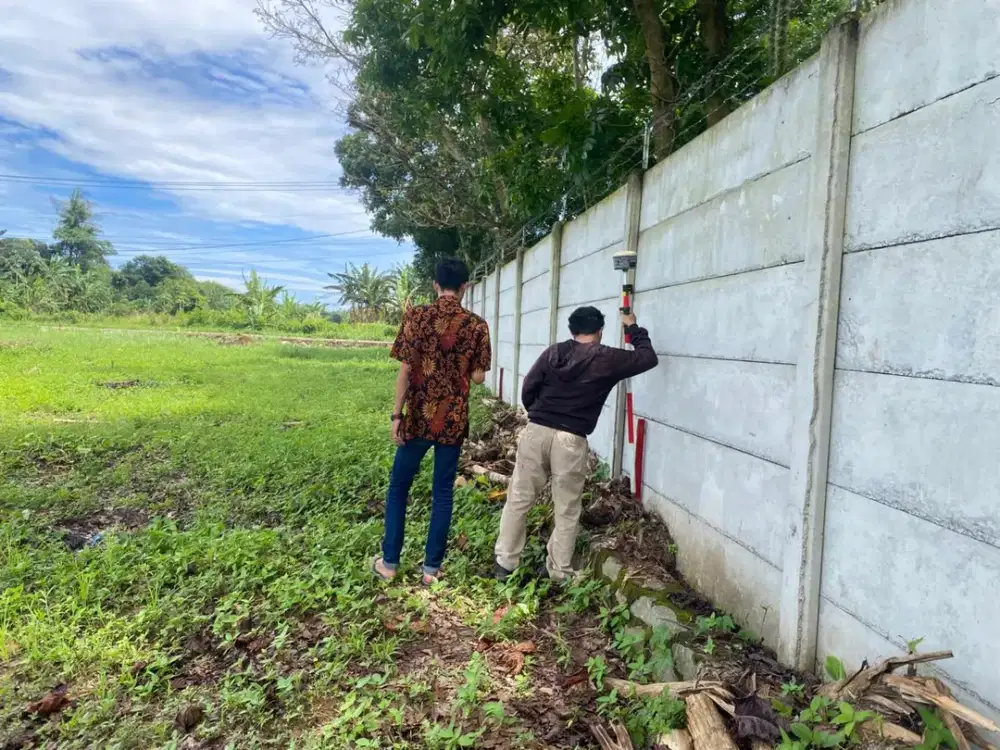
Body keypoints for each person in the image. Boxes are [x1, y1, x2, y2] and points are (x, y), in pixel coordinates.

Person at [494, 306, 658, 582]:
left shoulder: (553, 352)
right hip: (571, 440)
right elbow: (647, 358)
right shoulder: (605, 357)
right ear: (600, 331)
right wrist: (632, 327)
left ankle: (505, 564)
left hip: (536, 431)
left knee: (519, 499)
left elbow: (529, 388)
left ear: (571, 330)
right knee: (567, 508)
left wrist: (541, 415)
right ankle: (559, 572)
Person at [372, 258, 491, 585]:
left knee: (399, 487)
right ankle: (431, 570)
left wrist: (397, 415)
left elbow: (406, 369)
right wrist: (464, 367)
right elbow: (479, 378)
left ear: (435, 285)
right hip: (452, 421)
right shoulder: (477, 325)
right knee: (442, 492)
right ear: (465, 287)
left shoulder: (417, 317)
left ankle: (390, 563)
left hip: (419, 420)